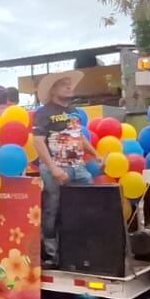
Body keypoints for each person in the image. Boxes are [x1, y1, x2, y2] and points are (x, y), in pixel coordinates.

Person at [31, 71, 98, 267]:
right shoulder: (43, 113)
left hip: (78, 167)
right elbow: (37, 141)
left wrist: (95, 154)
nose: (69, 87)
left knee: (87, 206)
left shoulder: (73, 111)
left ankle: (81, 251)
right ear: (53, 91)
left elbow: (79, 136)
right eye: (64, 85)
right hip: (57, 166)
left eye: (70, 84)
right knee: (54, 209)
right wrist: (53, 168)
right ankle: (53, 256)